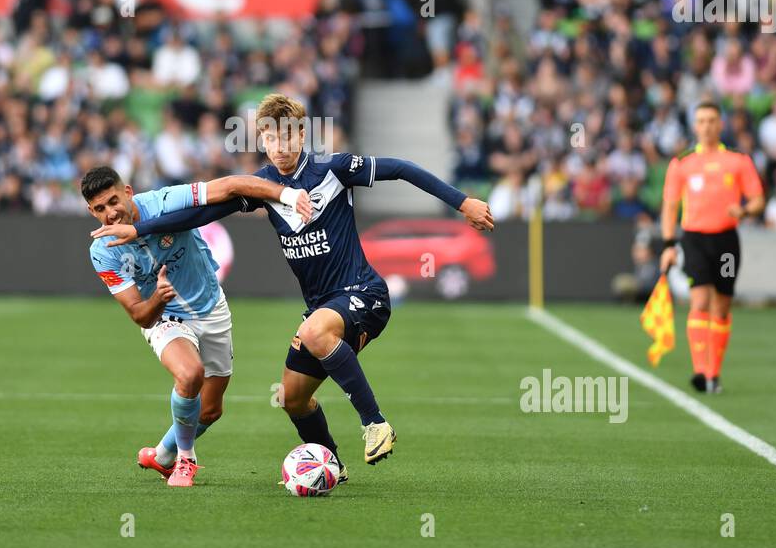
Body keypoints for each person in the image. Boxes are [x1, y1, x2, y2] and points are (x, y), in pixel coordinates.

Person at [92, 93, 495, 477]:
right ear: (262, 140)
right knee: (292, 397)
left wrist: (463, 203)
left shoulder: (333, 170)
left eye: (288, 135)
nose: (280, 145)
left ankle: (375, 423)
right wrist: (139, 228)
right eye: (270, 137)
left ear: (302, 135)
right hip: (322, 305)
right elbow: (198, 215)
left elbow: (403, 169)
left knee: (314, 330)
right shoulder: (265, 186)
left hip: (363, 293)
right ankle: (333, 465)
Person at [82, 166, 311, 487]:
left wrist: (287, 195)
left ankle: (162, 454)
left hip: (211, 307)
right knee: (190, 375)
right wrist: (159, 299)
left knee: (211, 410)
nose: (110, 213)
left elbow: (231, 186)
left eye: (113, 201)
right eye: (100, 209)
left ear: (129, 192)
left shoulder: (164, 202)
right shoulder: (101, 252)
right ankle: (185, 459)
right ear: (91, 212)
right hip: (163, 316)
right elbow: (140, 315)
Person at [658, 101, 766, 394]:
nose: (706, 126)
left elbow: (758, 199)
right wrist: (668, 244)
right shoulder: (682, 163)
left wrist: (744, 211)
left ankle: (714, 373)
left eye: (711, 120)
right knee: (700, 301)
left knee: (722, 306)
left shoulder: (738, 161)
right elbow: (670, 206)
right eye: (701, 121)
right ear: (694, 126)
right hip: (694, 239)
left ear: (720, 125)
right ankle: (700, 370)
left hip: (727, 242)